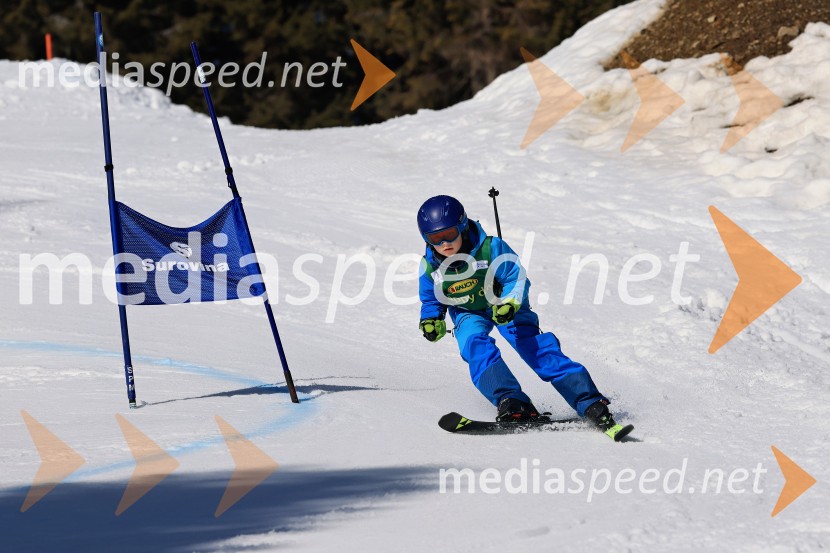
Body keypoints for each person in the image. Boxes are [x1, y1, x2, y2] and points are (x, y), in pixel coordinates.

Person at [417, 195, 631, 440]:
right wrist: (431, 319)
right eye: (434, 238)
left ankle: (589, 401)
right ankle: (513, 402)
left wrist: (510, 303)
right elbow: (431, 298)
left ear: (463, 225)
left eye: (450, 234)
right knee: (475, 346)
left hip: (505, 305)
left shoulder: (491, 247)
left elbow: (516, 278)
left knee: (534, 347)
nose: (444, 243)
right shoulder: (430, 266)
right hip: (467, 311)